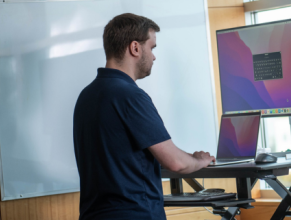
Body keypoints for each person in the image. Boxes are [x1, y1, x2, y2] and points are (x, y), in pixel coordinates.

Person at [73, 13, 215, 220]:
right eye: (152, 47)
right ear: (135, 48)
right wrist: (199, 161)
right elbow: (175, 162)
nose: (154, 56)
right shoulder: (130, 95)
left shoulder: (87, 95)